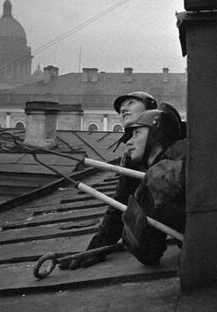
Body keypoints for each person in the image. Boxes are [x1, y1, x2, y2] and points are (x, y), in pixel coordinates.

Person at [61, 91, 158, 270]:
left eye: (131, 103)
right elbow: (120, 204)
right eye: (121, 108)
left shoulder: (169, 144)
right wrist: (97, 247)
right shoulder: (131, 157)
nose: (123, 109)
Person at [121, 109, 186, 265]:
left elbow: (147, 253)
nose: (129, 141)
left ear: (156, 136)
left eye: (137, 133)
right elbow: (148, 251)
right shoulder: (152, 178)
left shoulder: (182, 159)